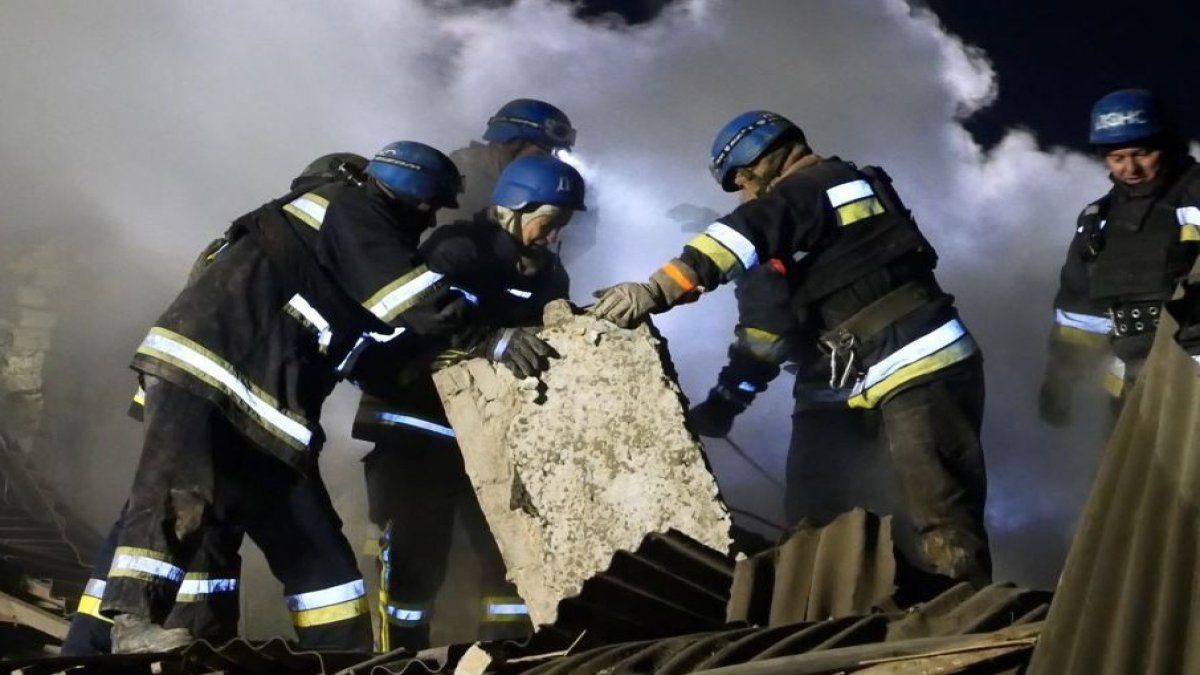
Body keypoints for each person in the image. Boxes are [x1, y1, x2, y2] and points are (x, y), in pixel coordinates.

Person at [97, 140, 501, 654]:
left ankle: (344, 658)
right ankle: (132, 623)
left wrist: (418, 367)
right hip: (203, 376)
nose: (429, 223)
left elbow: (356, 349)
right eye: (432, 209)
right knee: (178, 495)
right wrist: (492, 339)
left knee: (318, 555)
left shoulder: (337, 244)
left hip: (266, 411)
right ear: (417, 198)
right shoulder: (353, 209)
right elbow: (412, 300)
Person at [590, 110, 991, 585]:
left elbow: (743, 235)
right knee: (815, 517)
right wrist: (725, 404)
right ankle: (835, 611)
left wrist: (655, 290)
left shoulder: (815, 186)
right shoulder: (818, 202)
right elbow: (769, 331)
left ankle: (966, 616)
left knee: (937, 513)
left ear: (764, 157)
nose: (745, 192)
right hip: (852, 374)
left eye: (743, 180)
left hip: (918, 362)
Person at [63, 153, 370, 657]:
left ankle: (92, 653)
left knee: (154, 535)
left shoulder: (237, 245)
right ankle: (340, 656)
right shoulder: (305, 247)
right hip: (241, 419)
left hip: (209, 410)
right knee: (300, 552)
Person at [355, 153, 584, 651]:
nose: (552, 236)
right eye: (548, 222)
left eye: (562, 226)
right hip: (415, 428)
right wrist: (488, 341)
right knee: (416, 560)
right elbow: (421, 322)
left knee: (508, 558)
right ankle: (402, 660)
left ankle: (505, 656)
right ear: (513, 208)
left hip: (490, 438)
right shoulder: (456, 251)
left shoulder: (550, 275)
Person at [1039, 89, 1200, 427]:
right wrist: (1060, 380)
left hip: (1190, 372)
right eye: (1117, 158)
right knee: (1129, 462)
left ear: (1166, 145)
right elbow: (1079, 314)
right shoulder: (1097, 220)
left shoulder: (1195, 195)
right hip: (1130, 384)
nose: (1131, 168)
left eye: (1142, 153)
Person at [687, 263, 893, 527]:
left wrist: (724, 403)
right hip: (915, 374)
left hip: (839, 394)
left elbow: (766, 338)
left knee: (815, 514)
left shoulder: (765, 252)